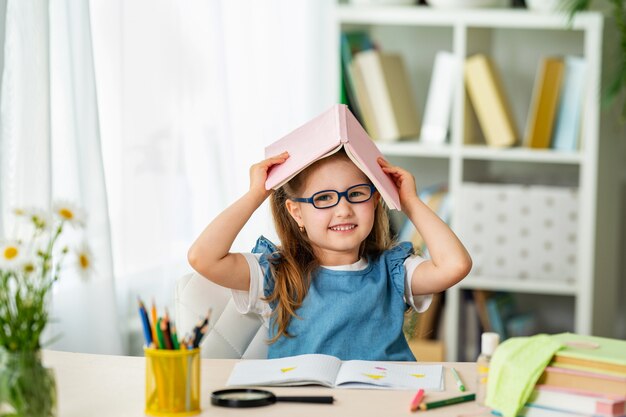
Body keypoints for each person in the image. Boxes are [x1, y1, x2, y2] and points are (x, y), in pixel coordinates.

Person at [188, 149, 471, 361]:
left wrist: (409, 201)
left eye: (356, 194)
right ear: (296, 212)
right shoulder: (277, 273)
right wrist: (255, 194)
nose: (343, 209)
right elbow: (203, 257)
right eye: (323, 198)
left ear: (375, 200)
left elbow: (455, 265)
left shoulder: (394, 270)